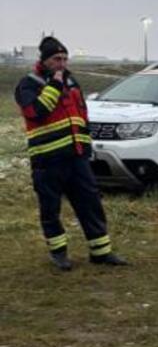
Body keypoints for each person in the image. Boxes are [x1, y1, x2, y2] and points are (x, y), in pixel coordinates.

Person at [13, 36, 128, 271]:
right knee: (50, 208)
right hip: (48, 159)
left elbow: (81, 115)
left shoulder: (72, 82)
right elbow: (36, 112)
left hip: (76, 157)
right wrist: (54, 86)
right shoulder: (28, 84)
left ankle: (101, 252)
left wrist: (86, 148)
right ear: (44, 60)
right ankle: (59, 253)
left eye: (65, 58)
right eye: (57, 59)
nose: (62, 63)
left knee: (90, 203)